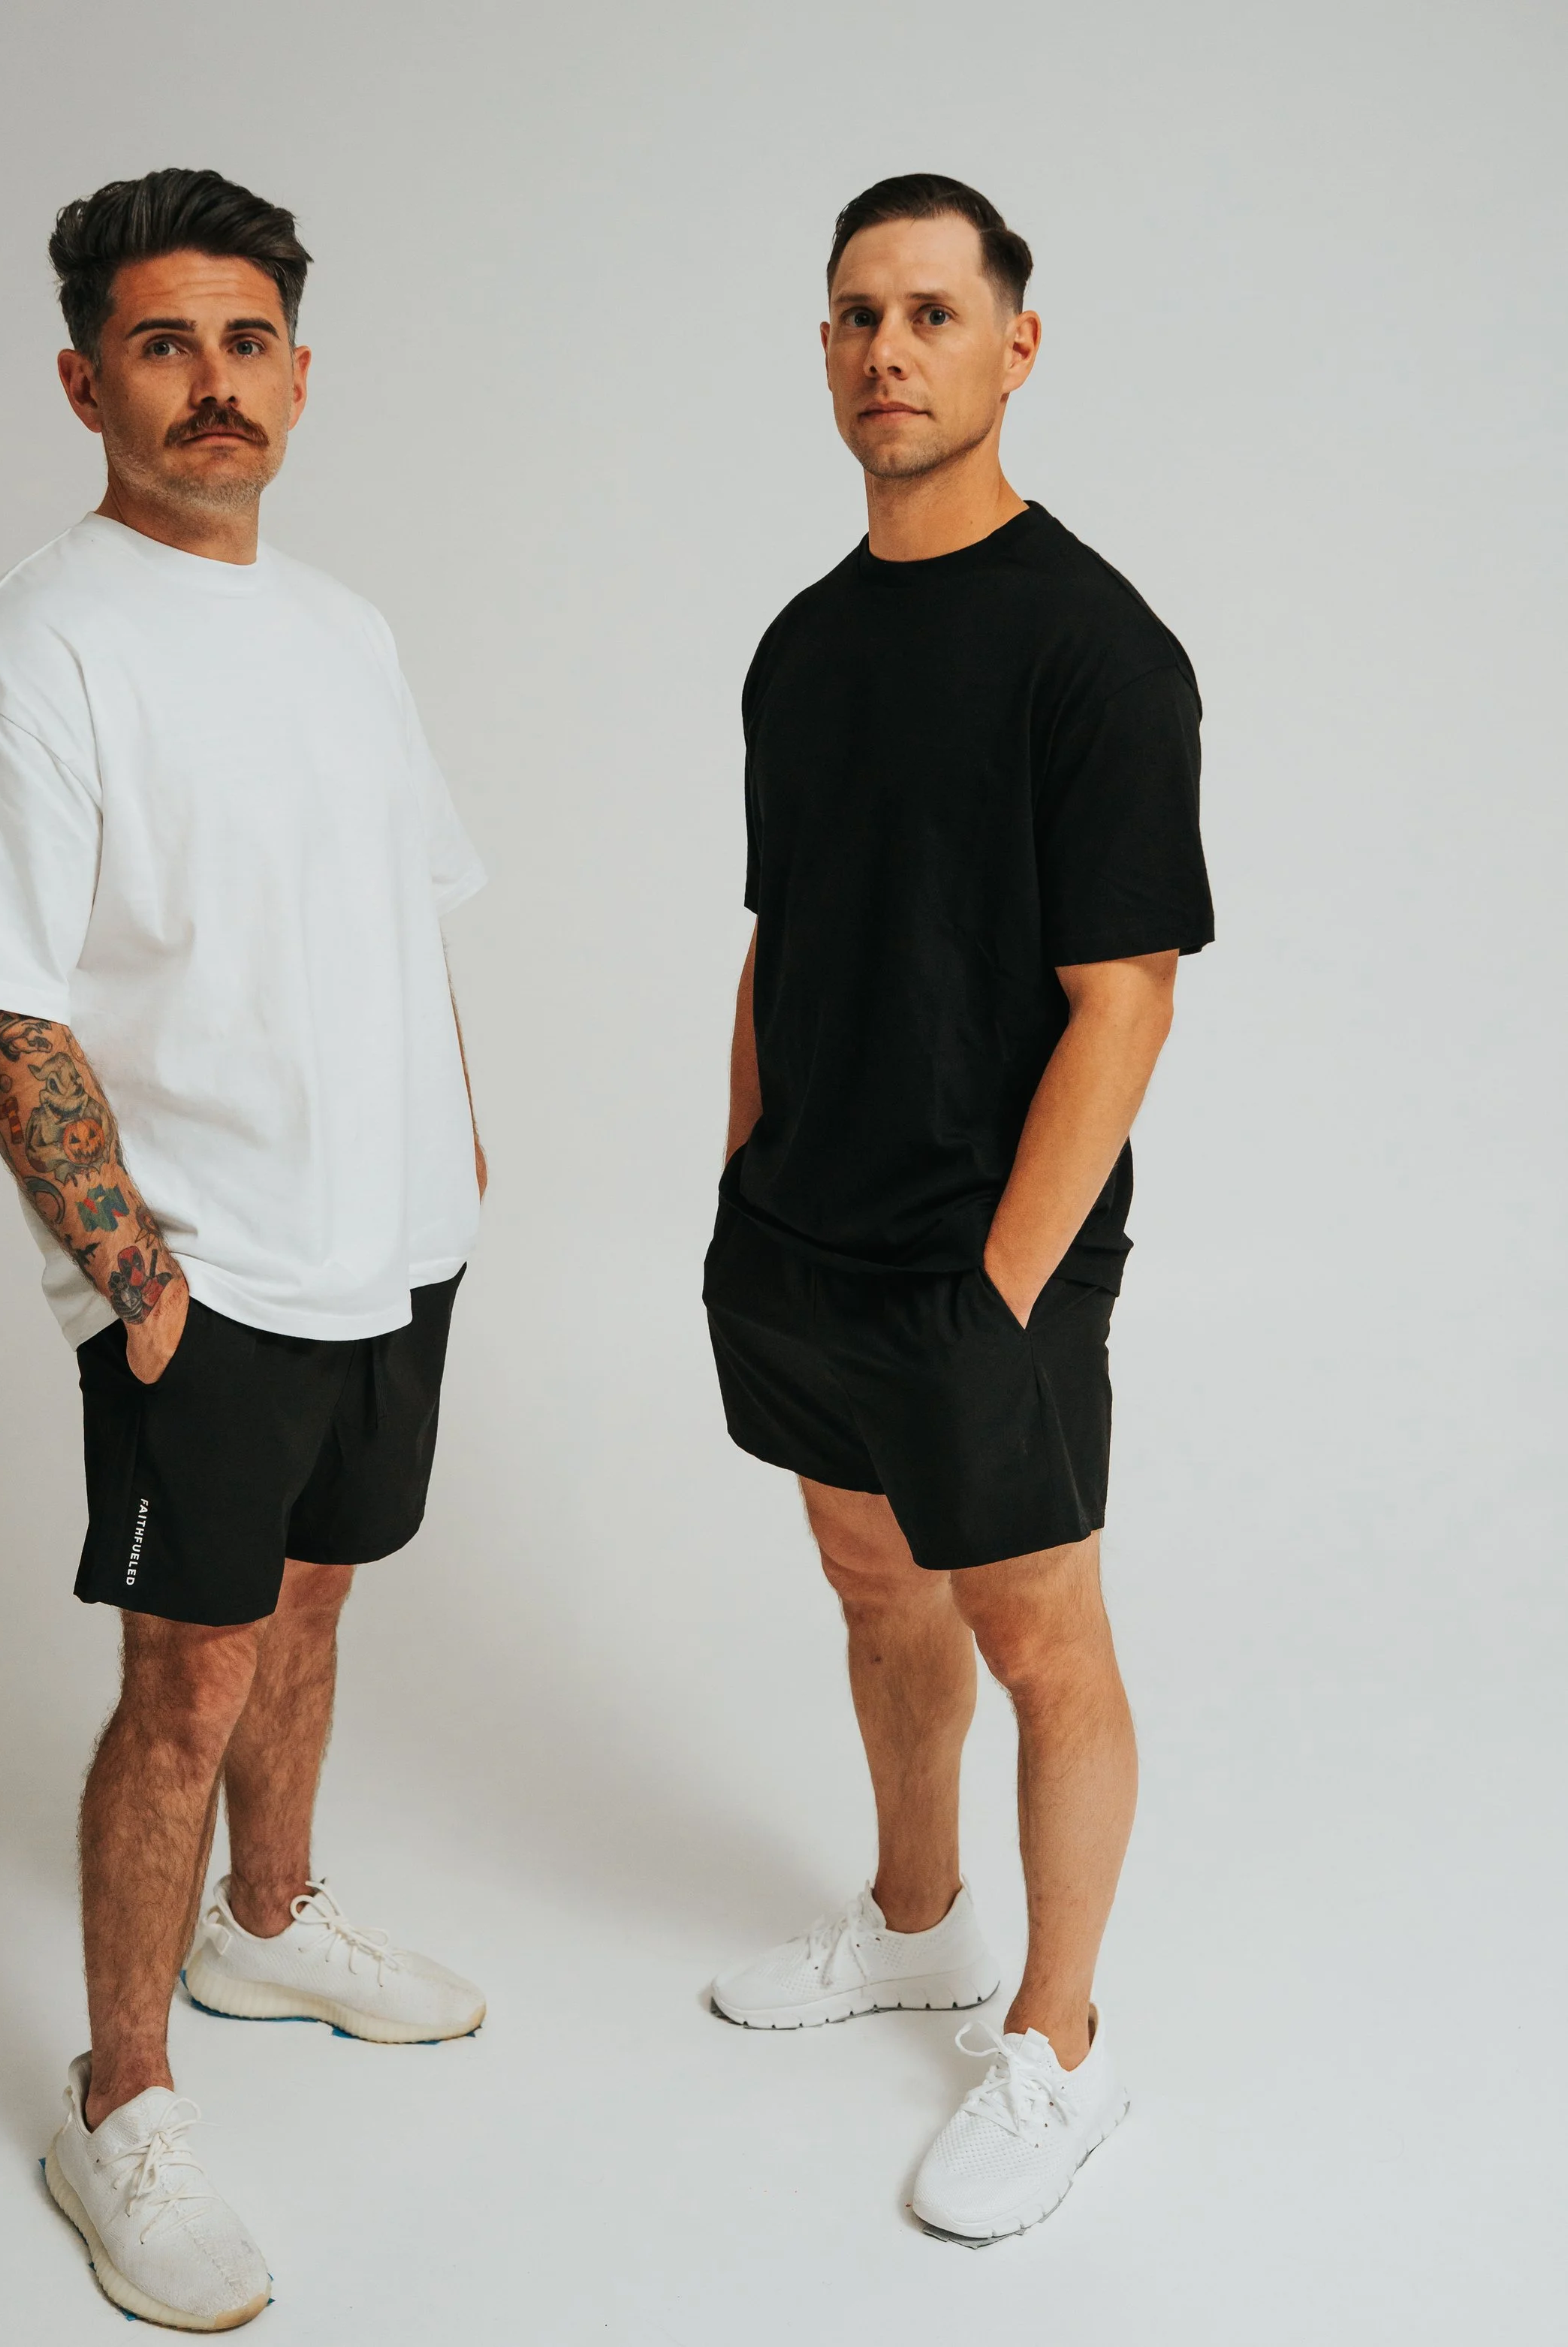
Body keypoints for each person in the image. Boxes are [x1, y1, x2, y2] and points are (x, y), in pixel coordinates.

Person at [0, 168, 490, 2330]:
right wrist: (133, 1270)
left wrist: (457, 1142)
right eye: (162, 344)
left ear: (299, 375)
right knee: (184, 1677)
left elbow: (402, 908)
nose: (210, 383)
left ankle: (271, 1919)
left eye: (245, 343)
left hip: (391, 1237)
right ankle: (119, 2096)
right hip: (213, 1265)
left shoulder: (344, 629)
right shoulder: (31, 647)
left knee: (314, 1599)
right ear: (85, 378)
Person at [704, 173, 1214, 2244]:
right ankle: (915, 1915)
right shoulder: (802, 646)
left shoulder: (1093, 645)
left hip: (982, 1259)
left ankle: (1063, 2041)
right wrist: (741, 1180)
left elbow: (1126, 995)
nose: (880, 351)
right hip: (802, 1238)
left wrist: (999, 1289)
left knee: (1034, 1628)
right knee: (865, 1580)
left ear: (1012, 345)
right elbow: (777, 934)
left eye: (924, 312)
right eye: (850, 315)